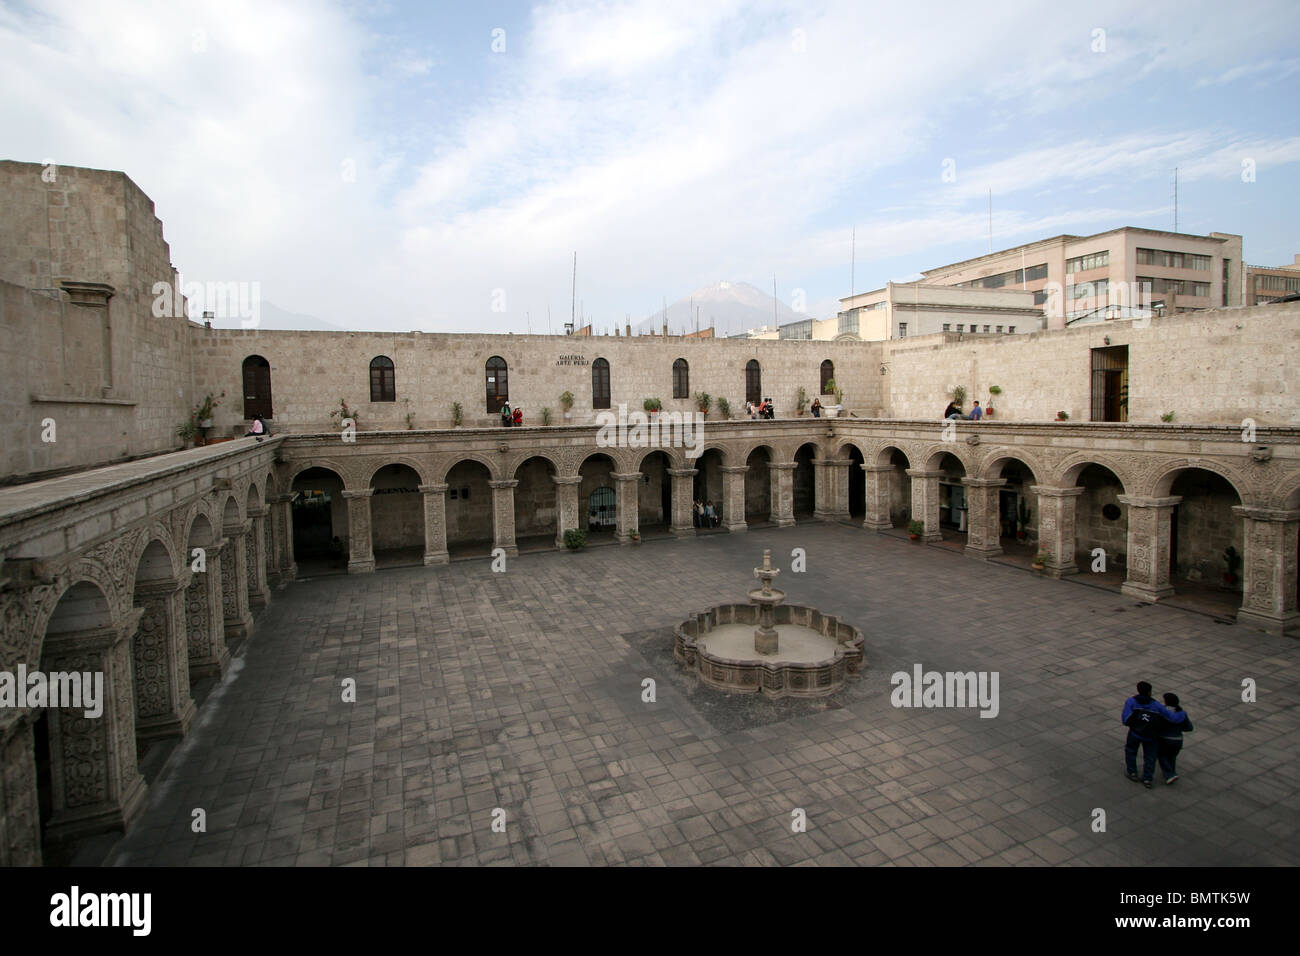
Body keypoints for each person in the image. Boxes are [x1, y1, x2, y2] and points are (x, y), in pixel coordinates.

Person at [1121, 681, 1187, 788]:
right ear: (1149, 692)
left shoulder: (1131, 702)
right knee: (1150, 757)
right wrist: (1182, 713)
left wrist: (1135, 725)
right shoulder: (1157, 706)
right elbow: (1173, 718)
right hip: (1151, 736)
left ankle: (1132, 772)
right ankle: (1147, 778)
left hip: (1135, 733)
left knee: (1131, 751)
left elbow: (1125, 719)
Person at [1156, 692, 1192, 785]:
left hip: (1164, 739)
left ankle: (1169, 775)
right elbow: (1189, 727)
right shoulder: (1182, 713)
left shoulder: (1162, 712)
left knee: (1162, 755)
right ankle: (1172, 772)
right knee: (1172, 757)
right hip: (1178, 740)